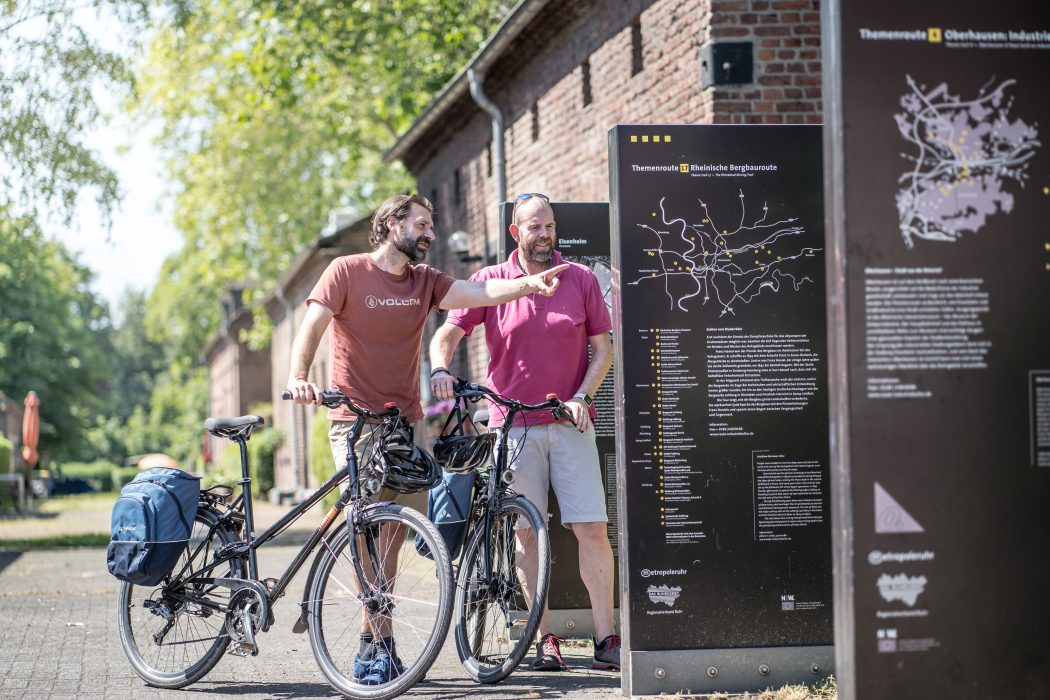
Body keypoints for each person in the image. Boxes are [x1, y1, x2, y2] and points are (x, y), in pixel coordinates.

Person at [287, 193, 568, 684]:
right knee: (367, 531)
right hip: (356, 422)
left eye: (432, 226)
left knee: (394, 536)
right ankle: (372, 644)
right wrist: (297, 376)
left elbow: (480, 294)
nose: (430, 234)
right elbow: (312, 324)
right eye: (421, 224)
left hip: (405, 423)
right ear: (391, 223)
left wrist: (527, 283)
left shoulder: (425, 282)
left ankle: (382, 639)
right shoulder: (345, 270)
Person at [429, 192, 619, 672]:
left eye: (549, 225)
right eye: (534, 226)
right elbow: (448, 332)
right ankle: (544, 636)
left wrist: (583, 396)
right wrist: (438, 367)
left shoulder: (579, 279)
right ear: (516, 232)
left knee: (592, 528)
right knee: (525, 534)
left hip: (569, 422)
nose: (544, 234)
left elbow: (603, 350)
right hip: (511, 427)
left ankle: (606, 638)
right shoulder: (490, 282)